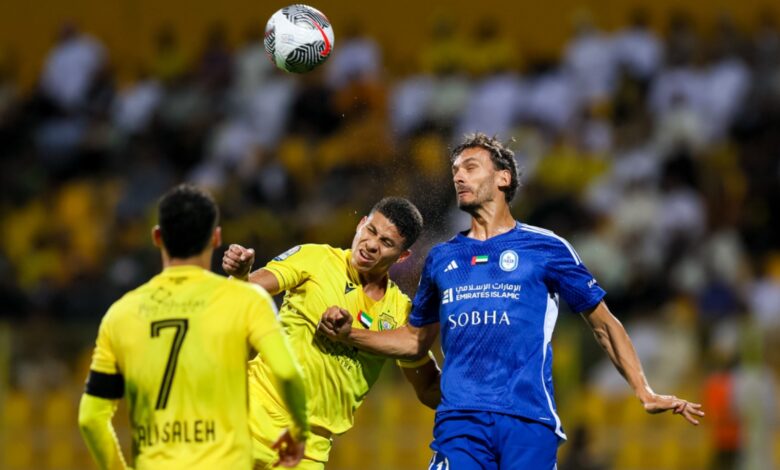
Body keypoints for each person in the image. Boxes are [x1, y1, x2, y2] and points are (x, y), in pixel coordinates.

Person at [318, 133, 705, 469]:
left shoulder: (546, 248)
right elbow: (414, 341)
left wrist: (644, 390)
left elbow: (603, 323)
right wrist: (349, 334)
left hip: (528, 420)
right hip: (460, 423)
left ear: (503, 178)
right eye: (455, 169)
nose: (458, 175)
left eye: (470, 167)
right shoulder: (441, 258)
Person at [78, 184, 309, 470]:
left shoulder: (122, 313)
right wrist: (299, 431)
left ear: (157, 237)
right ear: (216, 238)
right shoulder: (247, 300)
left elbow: (91, 417)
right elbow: (288, 372)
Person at [222, 197, 441, 470]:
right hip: (251, 414)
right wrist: (241, 274)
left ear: (402, 256)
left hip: (309, 450)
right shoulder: (317, 259)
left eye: (386, 243)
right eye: (371, 231)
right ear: (361, 224)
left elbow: (428, 388)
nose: (371, 245)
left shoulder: (400, 313)